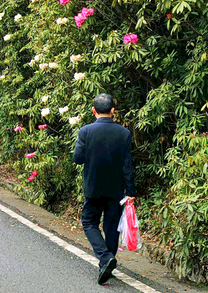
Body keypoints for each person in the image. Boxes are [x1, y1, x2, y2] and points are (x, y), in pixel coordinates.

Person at [72, 93, 136, 285]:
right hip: (116, 190)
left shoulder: (85, 131)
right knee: (111, 228)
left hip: (93, 187)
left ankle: (105, 258)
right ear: (113, 111)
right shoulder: (124, 133)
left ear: (93, 111)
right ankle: (106, 262)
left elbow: (78, 158)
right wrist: (131, 192)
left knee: (89, 222)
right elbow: (127, 166)